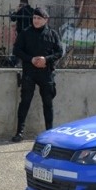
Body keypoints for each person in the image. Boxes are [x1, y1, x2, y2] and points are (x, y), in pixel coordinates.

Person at [10, 7, 63, 142]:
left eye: (39, 18)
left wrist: (46, 59)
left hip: (46, 73)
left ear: (46, 20)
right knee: (25, 102)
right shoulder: (25, 33)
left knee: (48, 103)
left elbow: (59, 52)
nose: (36, 21)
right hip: (29, 72)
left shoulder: (52, 34)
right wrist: (31, 59)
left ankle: (49, 132)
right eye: (34, 18)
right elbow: (17, 50)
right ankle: (19, 132)